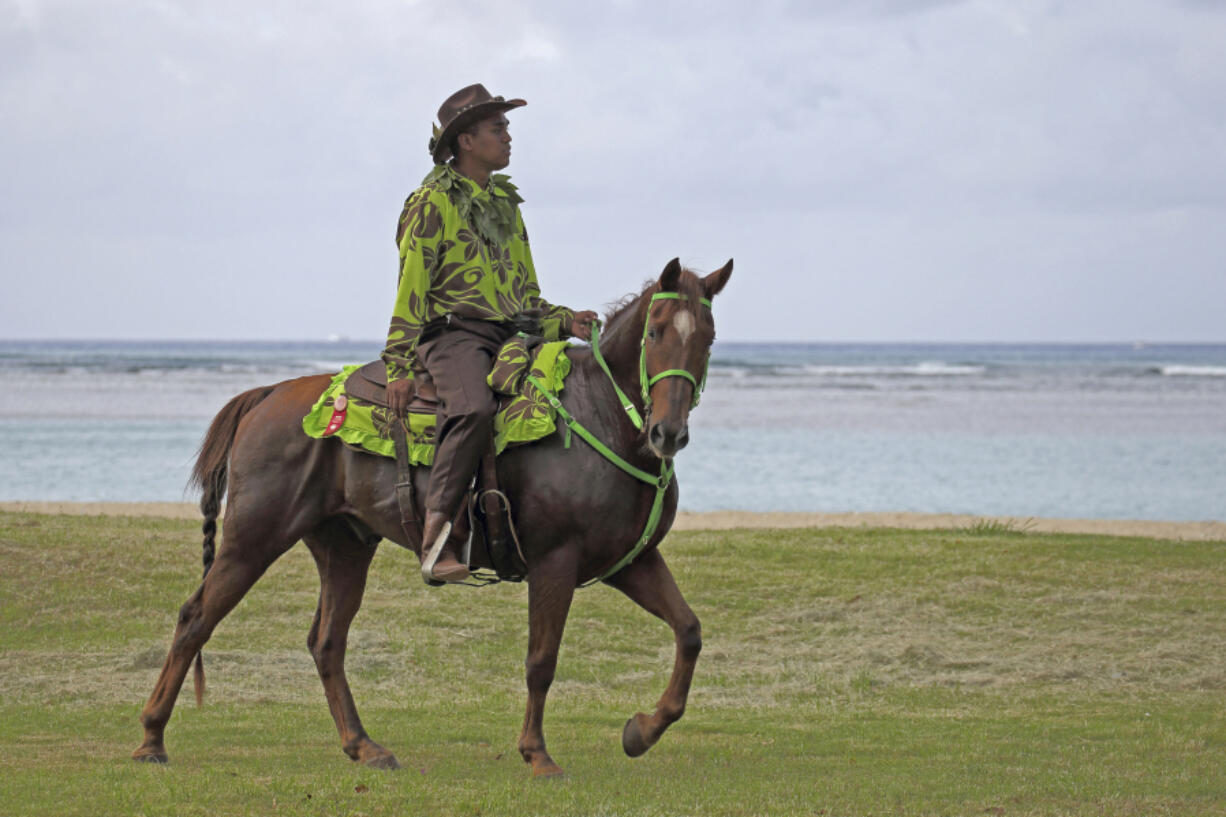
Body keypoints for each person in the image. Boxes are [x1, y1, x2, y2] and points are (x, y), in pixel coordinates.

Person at [382, 83, 597, 584]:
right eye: (497, 128)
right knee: (475, 408)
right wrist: (398, 365)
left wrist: (565, 321)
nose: (508, 136)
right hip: (452, 336)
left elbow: (525, 297)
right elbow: (411, 289)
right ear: (466, 142)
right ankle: (438, 538)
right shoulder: (430, 203)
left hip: (508, 337)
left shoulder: (506, 203)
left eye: (507, 127)